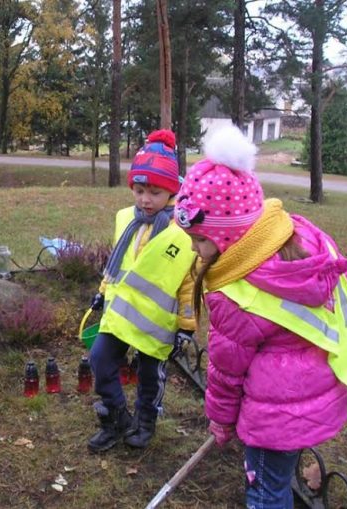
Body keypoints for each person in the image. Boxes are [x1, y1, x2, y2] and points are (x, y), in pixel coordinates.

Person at [174, 126, 347, 508]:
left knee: (265, 493)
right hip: (315, 394)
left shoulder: (235, 294)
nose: (195, 249)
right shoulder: (302, 236)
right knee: (278, 482)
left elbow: (226, 371)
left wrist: (220, 420)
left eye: (200, 239)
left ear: (232, 235)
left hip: (271, 417)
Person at [87, 129, 197, 452]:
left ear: (172, 192)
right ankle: (118, 416)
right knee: (100, 359)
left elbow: (188, 282)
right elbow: (118, 262)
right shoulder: (126, 220)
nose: (145, 199)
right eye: (139, 190)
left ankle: (145, 420)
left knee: (149, 379)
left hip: (156, 325)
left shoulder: (182, 231)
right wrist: (102, 291)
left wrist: (186, 325)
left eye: (154, 192)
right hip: (120, 314)